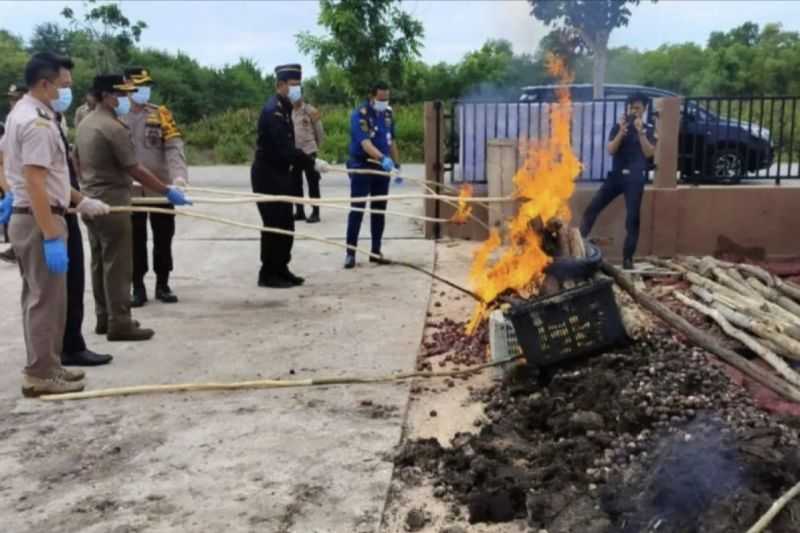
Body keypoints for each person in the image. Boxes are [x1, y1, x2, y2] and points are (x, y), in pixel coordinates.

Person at [0, 52, 112, 396]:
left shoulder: (35, 115)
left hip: (42, 214)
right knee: (43, 300)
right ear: (45, 83)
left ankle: (49, 365)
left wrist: (81, 201)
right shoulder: (35, 123)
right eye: (64, 85)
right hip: (39, 219)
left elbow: (49, 179)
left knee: (48, 299)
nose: (69, 91)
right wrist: (51, 235)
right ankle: (39, 374)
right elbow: (35, 182)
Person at [75, 74, 191, 342]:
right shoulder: (113, 127)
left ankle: (104, 317)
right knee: (118, 264)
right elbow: (134, 168)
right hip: (114, 201)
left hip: (91, 199)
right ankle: (121, 322)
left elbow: (76, 160)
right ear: (107, 95)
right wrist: (167, 191)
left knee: (99, 262)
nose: (126, 99)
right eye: (122, 94)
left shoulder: (86, 122)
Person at [123, 67, 188, 307]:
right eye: (139, 85)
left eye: (147, 85)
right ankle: (137, 286)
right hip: (129, 191)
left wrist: (179, 178)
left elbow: (174, 146)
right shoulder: (118, 115)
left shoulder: (161, 113)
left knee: (163, 237)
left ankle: (163, 283)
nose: (144, 90)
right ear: (126, 85)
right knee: (134, 239)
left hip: (161, 187)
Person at [579, 92, 656, 270]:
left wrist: (641, 133)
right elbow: (611, 150)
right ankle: (578, 244)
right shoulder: (618, 127)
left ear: (644, 109)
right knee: (592, 209)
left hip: (635, 179)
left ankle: (627, 259)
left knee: (632, 219)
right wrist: (621, 132)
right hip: (616, 177)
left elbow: (649, 153)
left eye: (637, 108)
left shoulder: (649, 128)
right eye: (631, 107)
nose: (633, 111)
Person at [251, 63, 307, 289]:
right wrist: (311, 161)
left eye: (299, 85)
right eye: (293, 85)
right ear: (280, 85)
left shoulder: (285, 108)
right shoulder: (272, 110)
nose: (297, 89)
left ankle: (282, 268)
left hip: (282, 174)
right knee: (274, 224)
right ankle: (268, 273)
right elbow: (284, 149)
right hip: (267, 175)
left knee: (286, 224)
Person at [344, 81, 401, 269]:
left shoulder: (387, 114)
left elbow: (391, 141)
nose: (384, 101)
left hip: (381, 170)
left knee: (378, 210)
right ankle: (350, 254)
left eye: (387, 98)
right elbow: (365, 144)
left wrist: (397, 164)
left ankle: (375, 251)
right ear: (372, 96)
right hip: (362, 166)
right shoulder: (360, 115)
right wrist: (383, 158)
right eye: (381, 98)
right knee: (357, 210)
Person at [0, 83, 28, 264]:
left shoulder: (32, 121)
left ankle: (16, 248)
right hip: (17, 184)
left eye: (16, 99)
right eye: (11, 99)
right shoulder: (12, 121)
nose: (13, 103)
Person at [291, 95, 325, 223]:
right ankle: (299, 211)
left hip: (309, 151)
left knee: (313, 183)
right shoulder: (289, 111)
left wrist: (316, 148)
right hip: (294, 152)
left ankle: (315, 212)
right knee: (295, 183)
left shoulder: (311, 111)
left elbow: (319, 131)